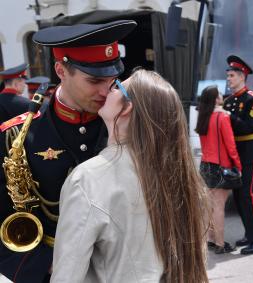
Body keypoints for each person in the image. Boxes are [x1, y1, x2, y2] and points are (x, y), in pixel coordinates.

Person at [0, 20, 137, 283]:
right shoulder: (15, 137)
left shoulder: (126, 124)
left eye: (112, 80)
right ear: (61, 70)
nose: (106, 91)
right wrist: (46, 267)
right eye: (95, 80)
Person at [51, 69, 209, 283]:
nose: (108, 89)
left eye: (116, 86)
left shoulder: (88, 179)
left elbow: (66, 277)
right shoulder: (181, 176)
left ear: (126, 109)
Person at [223, 55, 253, 255]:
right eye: (228, 76)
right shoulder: (230, 100)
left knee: (247, 196)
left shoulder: (252, 99)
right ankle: (250, 235)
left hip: (248, 151)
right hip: (233, 153)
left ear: (242, 76)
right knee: (239, 196)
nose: (228, 79)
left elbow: (249, 126)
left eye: (232, 75)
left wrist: (227, 116)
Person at [195, 85, 242, 254]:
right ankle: (221, 244)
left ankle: (210, 239)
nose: (222, 96)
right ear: (215, 99)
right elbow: (231, 146)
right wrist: (238, 165)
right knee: (219, 207)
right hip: (220, 166)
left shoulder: (203, 116)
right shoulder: (222, 117)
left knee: (209, 206)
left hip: (205, 165)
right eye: (219, 94)